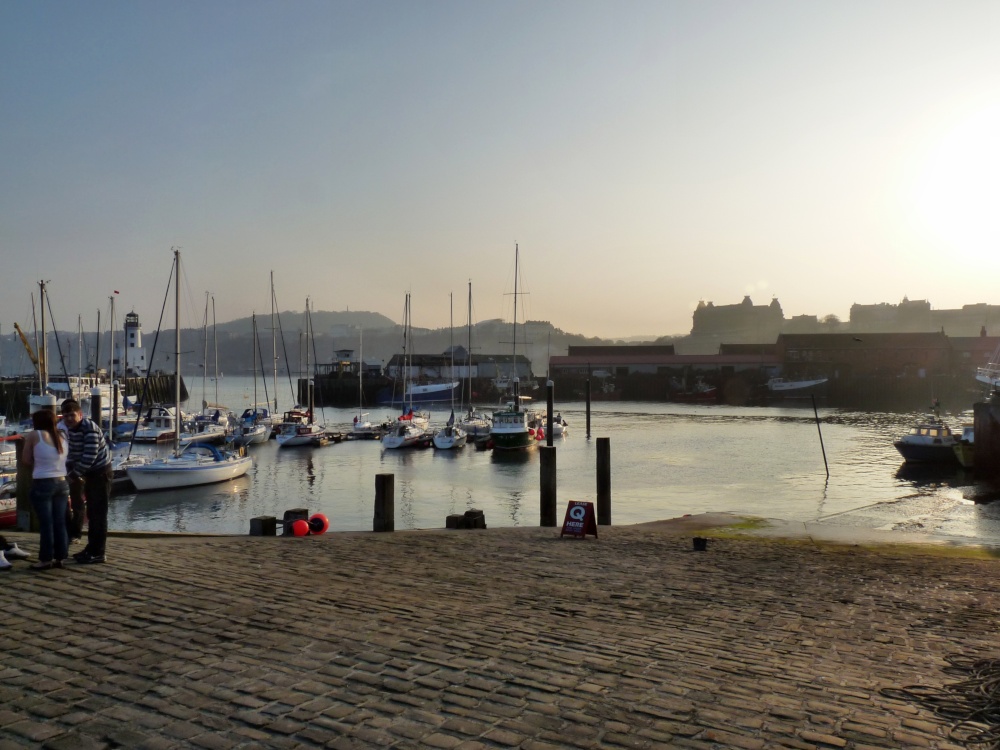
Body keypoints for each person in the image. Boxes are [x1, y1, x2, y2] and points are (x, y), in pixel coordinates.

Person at [60, 399, 113, 564]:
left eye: (72, 415)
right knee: (91, 513)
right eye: (66, 415)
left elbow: (89, 456)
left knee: (98, 514)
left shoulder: (88, 428)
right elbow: (73, 454)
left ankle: (98, 553)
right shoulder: (71, 429)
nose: (69, 419)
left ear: (80, 414)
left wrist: (72, 476)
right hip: (90, 475)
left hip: (100, 473)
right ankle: (91, 549)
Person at [21, 409, 70, 570]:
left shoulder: (35, 435)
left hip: (43, 482)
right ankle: (60, 557)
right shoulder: (62, 436)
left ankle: (45, 559)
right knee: (60, 522)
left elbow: (26, 460)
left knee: (46, 523)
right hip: (62, 482)